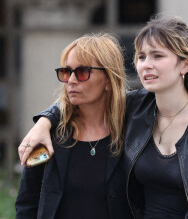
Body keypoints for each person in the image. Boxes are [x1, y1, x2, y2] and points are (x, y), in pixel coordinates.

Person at [19, 16, 188, 218]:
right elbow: (83, 98)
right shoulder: (139, 108)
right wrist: (44, 122)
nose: (147, 65)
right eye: (142, 56)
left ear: (186, 64)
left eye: (157, 56)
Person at [15, 33, 132, 219]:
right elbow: (27, 203)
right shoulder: (48, 135)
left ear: (108, 80)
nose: (71, 80)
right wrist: (44, 121)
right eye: (66, 71)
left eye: (82, 72)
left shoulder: (132, 133)